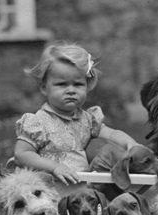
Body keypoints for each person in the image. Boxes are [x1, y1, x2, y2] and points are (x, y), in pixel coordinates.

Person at [15, 43, 139, 188]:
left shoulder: (88, 119)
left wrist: (131, 144)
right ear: (44, 88)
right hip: (50, 189)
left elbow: (112, 134)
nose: (71, 90)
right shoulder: (38, 122)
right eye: (62, 84)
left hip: (82, 191)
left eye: (78, 84)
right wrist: (54, 167)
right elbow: (22, 154)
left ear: (88, 85)